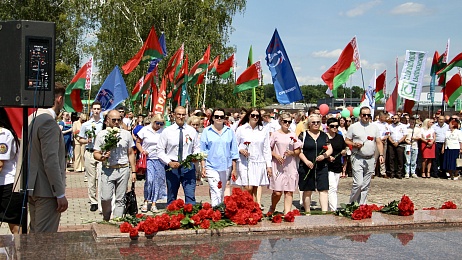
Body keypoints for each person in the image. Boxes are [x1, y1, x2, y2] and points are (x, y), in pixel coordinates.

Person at [27, 83, 68, 233]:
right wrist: (60, 193)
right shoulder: (48, 121)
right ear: (59, 99)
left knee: (34, 235)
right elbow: (51, 161)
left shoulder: (32, 117)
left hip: (32, 186)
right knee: (45, 240)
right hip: (47, 190)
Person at [93, 110, 137, 221]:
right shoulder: (102, 135)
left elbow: (130, 153)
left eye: (119, 119)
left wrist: (133, 171)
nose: (117, 122)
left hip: (123, 168)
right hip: (108, 169)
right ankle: (106, 217)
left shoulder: (126, 134)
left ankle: (117, 221)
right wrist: (102, 157)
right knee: (106, 197)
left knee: (120, 199)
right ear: (107, 120)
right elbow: (96, 153)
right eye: (114, 120)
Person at [157, 106, 200, 205]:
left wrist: (195, 156)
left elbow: (197, 147)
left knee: (190, 196)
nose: (181, 117)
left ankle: (191, 217)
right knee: (172, 197)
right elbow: (160, 150)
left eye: (183, 114)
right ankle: (171, 218)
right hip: (172, 167)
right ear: (174, 115)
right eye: (179, 114)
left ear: (186, 115)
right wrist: (169, 162)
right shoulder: (167, 131)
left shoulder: (191, 131)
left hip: (188, 166)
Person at [200, 108, 239, 207]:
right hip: (211, 165)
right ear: (212, 117)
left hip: (226, 166)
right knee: (215, 189)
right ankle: (215, 210)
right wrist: (203, 166)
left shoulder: (229, 131)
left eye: (221, 117)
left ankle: (219, 210)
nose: (219, 118)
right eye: (216, 116)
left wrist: (234, 169)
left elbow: (233, 151)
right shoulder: (206, 131)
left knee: (221, 190)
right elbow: (203, 151)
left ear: (224, 118)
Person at [345, 107, 384, 205]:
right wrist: (354, 144)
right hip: (357, 157)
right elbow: (347, 140)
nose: (366, 117)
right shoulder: (354, 127)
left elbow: (378, 141)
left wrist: (381, 155)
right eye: (364, 115)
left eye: (368, 115)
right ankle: (352, 203)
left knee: (366, 185)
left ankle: (362, 205)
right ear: (360, 115)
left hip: (370, 158)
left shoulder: (374, 127)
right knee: (358, 183)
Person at [235, 109, 272, 207]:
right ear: (248, 116)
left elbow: (266, 148)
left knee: (255, 187)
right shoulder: (241, 129)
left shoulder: (263, 130)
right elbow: (234, 144)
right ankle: (245, 207)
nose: (255, 117)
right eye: (253, 115)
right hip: (244, 162)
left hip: (259, 161)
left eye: (257, 116)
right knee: (248, 187)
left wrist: (269, 165)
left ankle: (253, 208)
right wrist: (240, 149)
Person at [298, 114, 332, 213]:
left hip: (322, 166)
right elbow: (298, 151)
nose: (316, 124)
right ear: (309, 124)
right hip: (307, 166)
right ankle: (307, 211)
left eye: (318, 122)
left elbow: (330, 148)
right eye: (313, 122)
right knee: (308, 190)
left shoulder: (324, 135)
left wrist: (325, 155)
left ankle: (324, 211)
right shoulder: (303, 135)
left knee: (323, 189)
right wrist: (306, 161)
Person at [268, 112, 301, 214]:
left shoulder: (293, 134)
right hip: (278, 165)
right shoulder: (275, 134)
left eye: (289, 122)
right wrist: (275, 155)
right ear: (280, 121)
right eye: (285, 121)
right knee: (277, 192)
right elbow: (268, 149)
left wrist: (292, 152)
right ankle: (273, 207)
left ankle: (287, 213)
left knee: (289, 191)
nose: (287, 123)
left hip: (290, 165)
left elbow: (298, 150)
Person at [136, 114, 166, 213]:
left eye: (161, 124)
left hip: (160, 159)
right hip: (148, 158)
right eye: (157, 123)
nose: (159, 125)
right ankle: (146, 201)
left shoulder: (163, 131)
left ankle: (154, 203)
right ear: (153, 122)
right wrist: (142, 151)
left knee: (158, 181)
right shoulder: (145, 130)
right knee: (150, 180)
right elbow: (138, 142)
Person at [78, 101, 104, 212]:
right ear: (92, 110)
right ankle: (93, 201)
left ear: (101, 110)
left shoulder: (104, 124)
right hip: (90, 152)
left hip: (101, 153)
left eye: (98, 109)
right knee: (91, 178)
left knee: (102, 177)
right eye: (95, 109)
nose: (96, 111)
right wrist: (86, 140)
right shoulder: (86, 125)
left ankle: (102, 200)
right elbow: (80, 138)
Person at [0, 108, 22, 233]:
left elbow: (0, 164)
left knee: (16, 228)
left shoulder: (3, 134)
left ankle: (23, 251)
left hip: (8, 186)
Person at [326, 118, 346, 211]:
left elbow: (343, 148)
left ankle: (329, 206)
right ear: (328, 127)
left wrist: (343, 151)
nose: (334, 128)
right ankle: (333, 209)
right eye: (332, 126)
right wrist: (327, 156)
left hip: (337, 164)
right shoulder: (325, 137)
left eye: (336, 126)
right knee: (332, 187)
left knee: (334, 187)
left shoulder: (339, 137)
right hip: (327, 166)